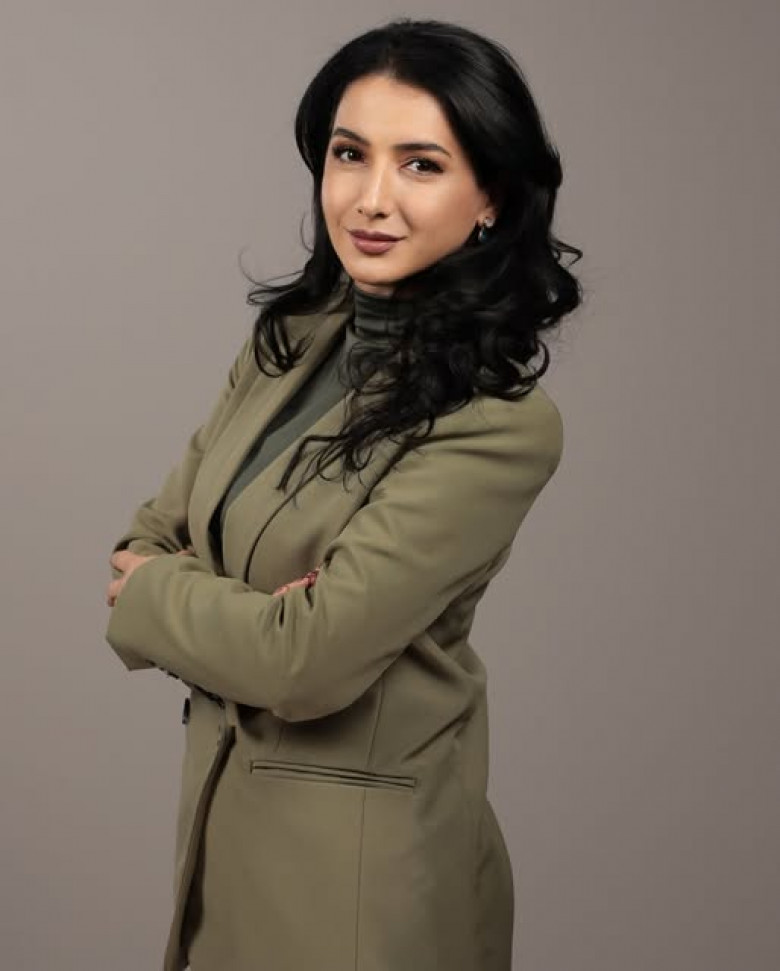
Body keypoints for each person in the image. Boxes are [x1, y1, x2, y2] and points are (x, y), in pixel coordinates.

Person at [104, 16, 582, 971]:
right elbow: (148, 536)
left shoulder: (495, 424)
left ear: (490, 196)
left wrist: (168, 597)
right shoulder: (291, 341)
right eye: (349, 154)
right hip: (226, 849)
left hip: (362, 891)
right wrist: (245, 615)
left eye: (421, 165)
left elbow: (307, 663)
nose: (370, 198)